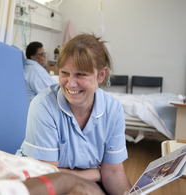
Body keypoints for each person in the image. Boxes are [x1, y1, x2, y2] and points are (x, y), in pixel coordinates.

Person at [17, 33, 132, 195]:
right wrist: (96, 173)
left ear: (101, 74)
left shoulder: (113, 109)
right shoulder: (44, 105)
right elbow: (48, 176)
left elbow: (113, 173)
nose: (70, 84)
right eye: (64, 73)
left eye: (81, 74)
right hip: (39, 185)